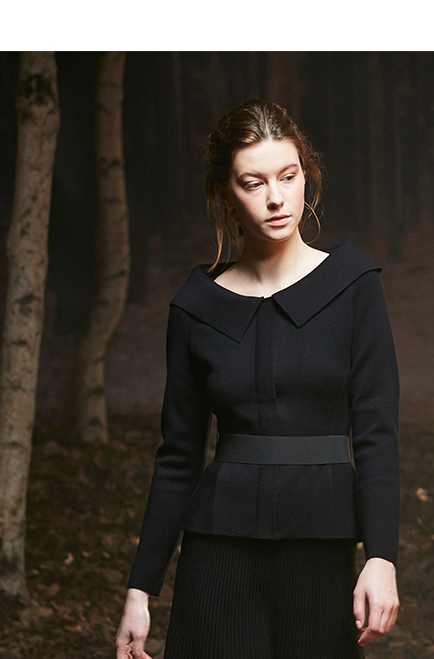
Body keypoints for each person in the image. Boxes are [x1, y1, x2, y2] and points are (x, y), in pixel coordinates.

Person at [115, 99, 400, 659]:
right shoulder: (196, 306)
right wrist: (140, 589)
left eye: (288, 177)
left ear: (306, 177)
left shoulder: (354, 286)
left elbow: (377, 434)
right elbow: (178, 456)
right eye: (253, 182)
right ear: (225, 194)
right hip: (218, 549)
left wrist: (381, 555)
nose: (276, 198)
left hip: (321, 543)